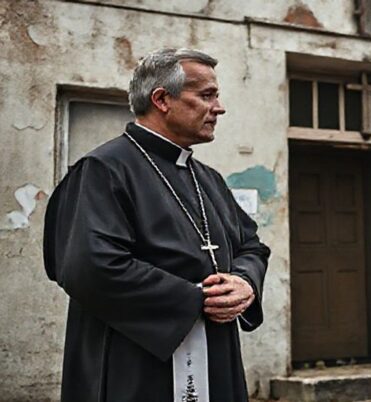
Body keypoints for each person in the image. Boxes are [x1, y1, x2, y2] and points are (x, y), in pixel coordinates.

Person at [43, 48, 271, 402]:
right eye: (206, 95)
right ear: (162, 100)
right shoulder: (103, 170)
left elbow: (251, 246)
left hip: (214, 355)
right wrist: (195, 299)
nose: (219, 107)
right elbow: (90, 267)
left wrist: (244, 281)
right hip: (135, 363)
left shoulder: (208, 179)